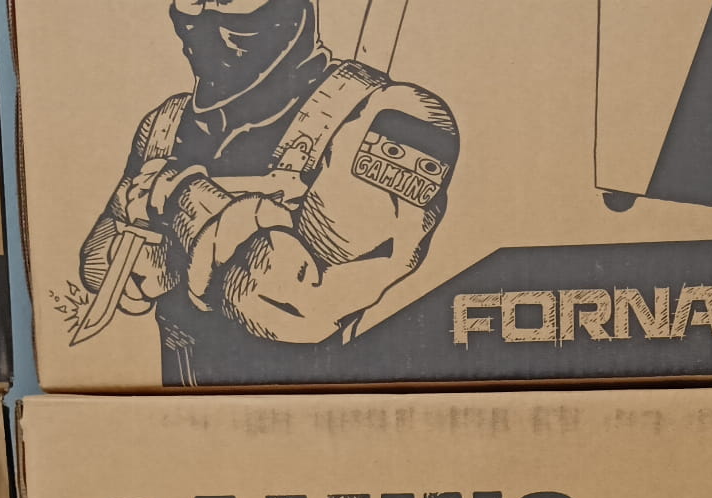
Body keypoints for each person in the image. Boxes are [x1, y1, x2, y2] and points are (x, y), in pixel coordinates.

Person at [75, 0, 458, 384]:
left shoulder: (395, 117)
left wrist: (186, 202)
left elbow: (300, 304)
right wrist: (141, 250)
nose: (200, 17)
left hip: (307, 403)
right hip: (182, 402)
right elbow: (100, 268)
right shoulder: (166, 122)